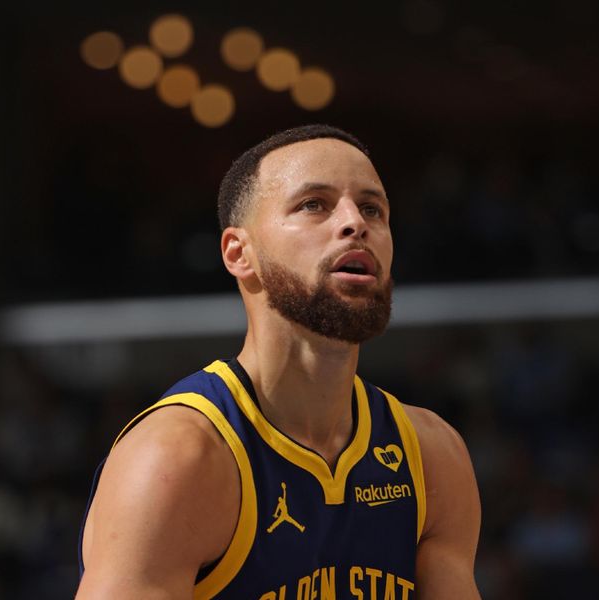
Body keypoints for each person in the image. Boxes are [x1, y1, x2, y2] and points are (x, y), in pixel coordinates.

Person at [75, 124, 481, 599]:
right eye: (314, 204)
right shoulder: (177, 460)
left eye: (372, 208)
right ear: (238, 253)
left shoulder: (432, 456)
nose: (355, 223)